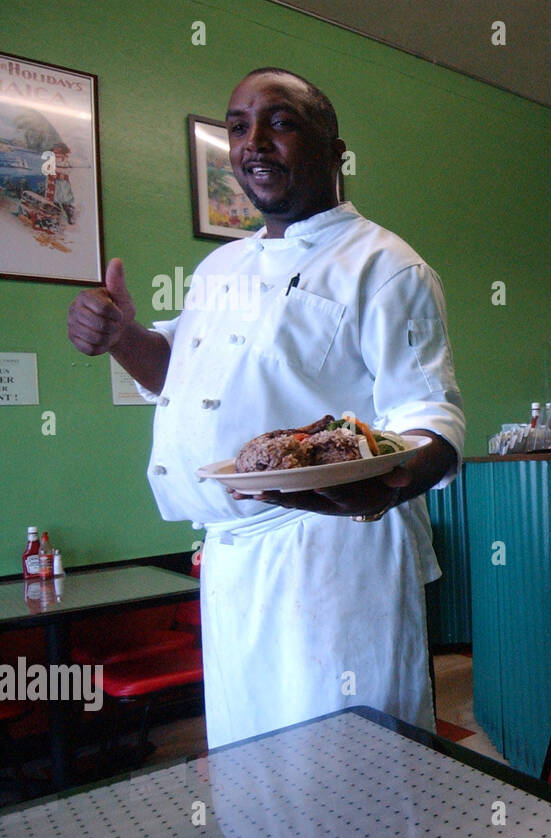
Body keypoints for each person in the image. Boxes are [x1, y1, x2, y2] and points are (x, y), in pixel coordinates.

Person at [66, 68, 465, 747]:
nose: (254, 143)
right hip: (232, 562)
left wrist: (387, 482)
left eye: (280, 122)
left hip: (337, 557)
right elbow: (178, 375)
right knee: (250, 764)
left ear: (336, 153)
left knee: (349, 765)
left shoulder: (385, 266)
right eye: (238, 126)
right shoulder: (220, 270)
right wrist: (122, 339)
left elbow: (432, 415)